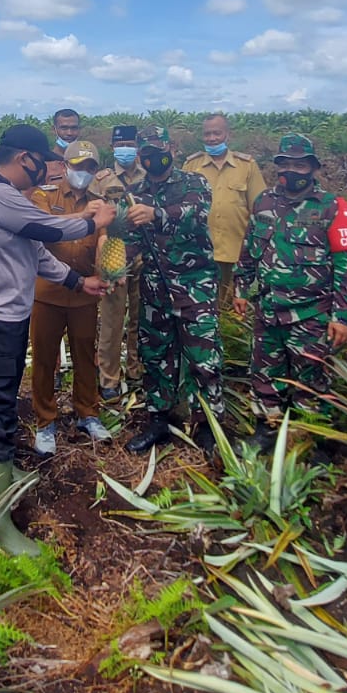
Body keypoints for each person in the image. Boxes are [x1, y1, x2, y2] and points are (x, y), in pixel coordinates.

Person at [0, 125, 113, 553]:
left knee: (2, 406)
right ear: (26, 158)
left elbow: (36, 254)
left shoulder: (9, 199)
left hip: (0, 320)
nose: (52, 169)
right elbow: (50, 231)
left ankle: (1, 478)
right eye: (48, 160)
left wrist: (80, 284)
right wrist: (92, 220)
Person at [234, 135, 347, 450]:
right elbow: (250, 249)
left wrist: (342, 317)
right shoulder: (263, 202)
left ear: (313, 168)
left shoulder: (333, 207)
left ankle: (312, 442)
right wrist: (240, 287)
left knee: (312, 382)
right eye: (287, 164)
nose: (293, 170)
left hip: (312, 315)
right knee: (264, 376)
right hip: (268, 309)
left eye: (300, 164)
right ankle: (267, 431)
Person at [121, 126, 224, 454]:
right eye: (146, 151)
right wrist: (114, 269)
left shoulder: (194, 183)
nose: (152, 156)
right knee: (156, 357)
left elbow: (196, 215)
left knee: (203, 360)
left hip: (195, 289)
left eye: (158, 148)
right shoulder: (136, 191)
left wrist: (157, 214)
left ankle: (208, 427)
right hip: (155, 291)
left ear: (172, 148)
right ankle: (159, 420)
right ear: (140, 155)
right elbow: (132, 240)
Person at [28, 141, 114, 454]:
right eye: (78, 166)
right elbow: (42, 230)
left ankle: (87, 413)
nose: (83, 172)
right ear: (65, 166)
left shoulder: (99, 202)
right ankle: (45, 420)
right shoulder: (44, 196)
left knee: (85, 356)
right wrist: (83, 216)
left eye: (90, 167)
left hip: (85, 296)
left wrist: (109, 271)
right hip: (48, 293)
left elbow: (104, 241)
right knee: (44, 359)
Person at [182, 113, 266, 312]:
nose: (212, 138)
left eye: (217, 133)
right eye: (207, 134)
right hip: (199, 252)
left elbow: (261, 208)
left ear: (228, 134)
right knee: (200, 308)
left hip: (235, 253)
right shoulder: (191, 166)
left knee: (231, 311)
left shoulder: (246, 166)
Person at [92, 124, 143, 400]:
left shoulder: (149, 174)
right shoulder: (102, 179)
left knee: (140, 319)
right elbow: (95, 219)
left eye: (130, 143)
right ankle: (109, 378)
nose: (125, 148)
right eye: (120, 143)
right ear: (112, 147)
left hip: (144, 256)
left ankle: (135, 371)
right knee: (112, 322)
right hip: (114, 255)